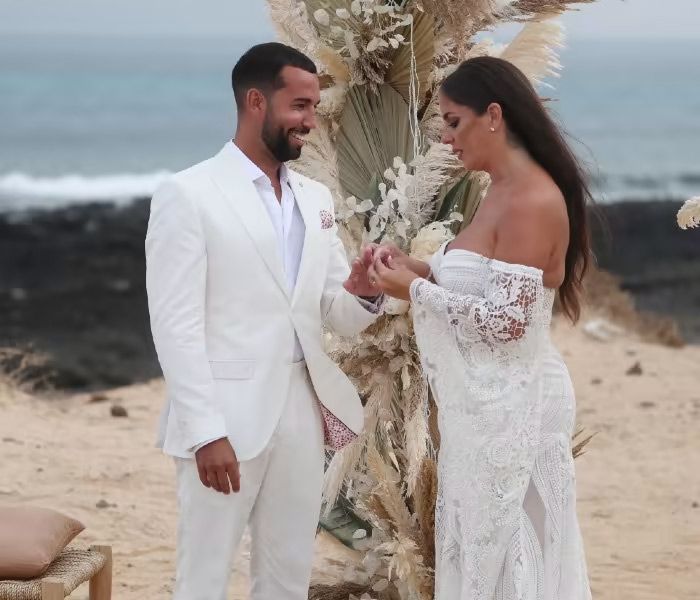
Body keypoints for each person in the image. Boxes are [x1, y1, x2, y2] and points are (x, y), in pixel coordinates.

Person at [145, 42, 383, 600]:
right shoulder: (188, 194)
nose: (310, 121)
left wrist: (366, 291)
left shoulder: (316, 198)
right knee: (203, 579)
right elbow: (175, 325)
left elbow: (335, 313)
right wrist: (206, 432)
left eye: (313, 107)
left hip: (303, 413)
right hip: (223, 419)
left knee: (287, 577)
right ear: (256, 102)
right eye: (299, 105)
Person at [368, 56, 592, 599]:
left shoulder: (532, 199)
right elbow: (479, 286)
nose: (446, 138)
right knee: (479, 553)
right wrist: (417, 269)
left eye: (453, 121)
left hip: (517, 407)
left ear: (493, 115)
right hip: (483, 411)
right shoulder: (499, 189)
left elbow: (510, 322)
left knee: (509, 558)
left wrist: (415, 291)